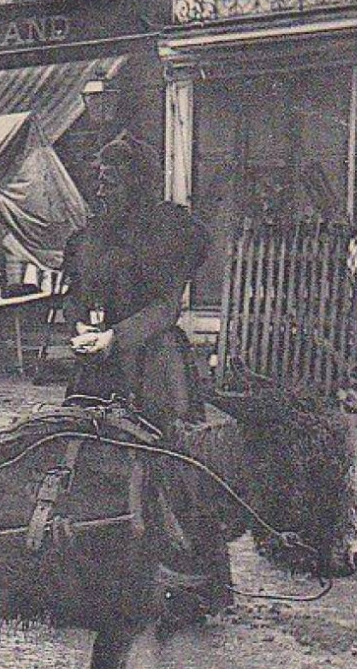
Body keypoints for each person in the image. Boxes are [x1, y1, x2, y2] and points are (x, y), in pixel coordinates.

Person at [59, 132, 229, 618]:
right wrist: (85, 326)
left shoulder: (169, 232)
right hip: (99, 366)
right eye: (98, 178)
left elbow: (165, 309)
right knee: (88, 455)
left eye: (111, 179)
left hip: (153, 363)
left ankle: (190, 580)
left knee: (170, 462)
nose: (101, 188)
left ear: (137, 183)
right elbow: (82, 294)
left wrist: (116, 337)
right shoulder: (93, 236)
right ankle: (101, 573)